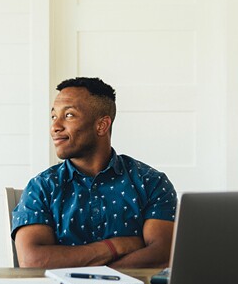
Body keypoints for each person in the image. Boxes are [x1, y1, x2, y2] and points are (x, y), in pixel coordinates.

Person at [11, 77, 177, 268]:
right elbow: (33, 261)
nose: (55, 127)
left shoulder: (151, 183)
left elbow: (164, 254)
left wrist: (98, 276)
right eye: (54, 116)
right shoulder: (41, 187)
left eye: (69, 115)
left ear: (101, 125)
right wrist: (116, 246)